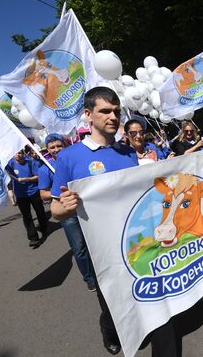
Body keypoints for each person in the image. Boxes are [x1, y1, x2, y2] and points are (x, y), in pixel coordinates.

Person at [50, 87, 177, 356]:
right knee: (112, 304)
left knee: (156, 299)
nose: (112, 116)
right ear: (88, 114)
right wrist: (65, 208)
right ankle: (109, 329)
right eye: (105, 111)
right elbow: (55, 210)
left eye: (116, 111)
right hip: (102, 252)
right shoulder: (68, 157)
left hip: (140, 243)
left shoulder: (127, 152)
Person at [37, 133, 95, 292]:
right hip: (67, 212)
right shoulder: (44, 169)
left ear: (64, 145)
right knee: (79, 247)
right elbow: (43, 194)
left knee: (95, 242)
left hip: (85, 207)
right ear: (48, 150)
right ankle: (89, 278)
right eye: (52, 147)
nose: (56, 150)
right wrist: (60, 193)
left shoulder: (73, 161)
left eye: (59, 146)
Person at [7, 149, 48, 247]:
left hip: (34, 192)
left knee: (40, 212)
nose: (18, 155)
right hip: (21, 194)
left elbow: (38, 176)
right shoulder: (10, 164)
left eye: (20, 153)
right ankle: (33, 238)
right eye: (16, 153)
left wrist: (26, 179)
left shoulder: (30, 162)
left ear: (23, 154)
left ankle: (43, 227)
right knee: (27, 216)